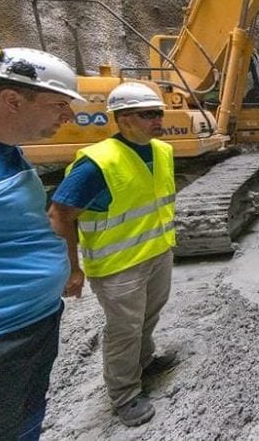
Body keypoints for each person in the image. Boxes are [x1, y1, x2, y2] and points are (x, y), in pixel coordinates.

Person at [48, 82, 178, 428]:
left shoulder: (163, 151)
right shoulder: (97, 164)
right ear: (122, 118)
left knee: (148, 317)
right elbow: (60, 213)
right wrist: (72, 269)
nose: (157, 120)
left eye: (159, 113)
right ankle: (124, 394)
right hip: (118, 266)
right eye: (147, 114)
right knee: (124, 330)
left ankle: (144, 361)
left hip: (157, 253)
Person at [0, 43, 85, 440]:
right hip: (1, 339)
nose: (69, 115)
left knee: (26, 423)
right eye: (58, 104)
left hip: (30, 326)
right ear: (12, 99)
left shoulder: (6, 152)